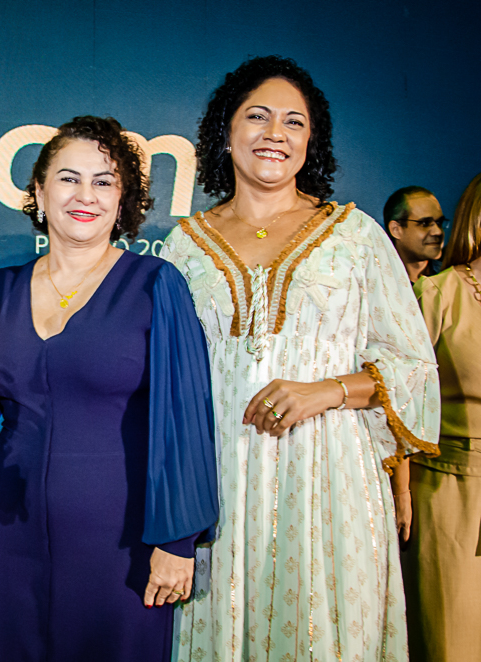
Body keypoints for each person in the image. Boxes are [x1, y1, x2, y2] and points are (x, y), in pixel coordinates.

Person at [160, 55, 440, 661]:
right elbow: (167, 380)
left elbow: (413, 363)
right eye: (257, 116)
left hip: (332, 478)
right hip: (220, 479)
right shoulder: (185, 243)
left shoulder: (354, 233)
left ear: (311, 141)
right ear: (224, 131)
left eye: (294, 122)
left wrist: (326, 391)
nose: (275, 134)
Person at [0, 116, 219, 662]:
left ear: (123, 199)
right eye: (68, 179)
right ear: (38, 191)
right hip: (10, 532)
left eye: (104, 181)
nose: (84, 195)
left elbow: (185, 418)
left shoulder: (156, 284)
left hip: (123, 543)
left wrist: (177, 542)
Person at [402, 172, 481, 661]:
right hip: (451, 493)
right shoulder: (439, 296)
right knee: (454, 643)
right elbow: (396, 403)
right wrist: (400, 490)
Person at [383, 186, 445, 282]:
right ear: (396, 230)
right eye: (425, 223)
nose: (438, 232)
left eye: (439, 223)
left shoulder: (453, 279)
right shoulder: (379, 281)